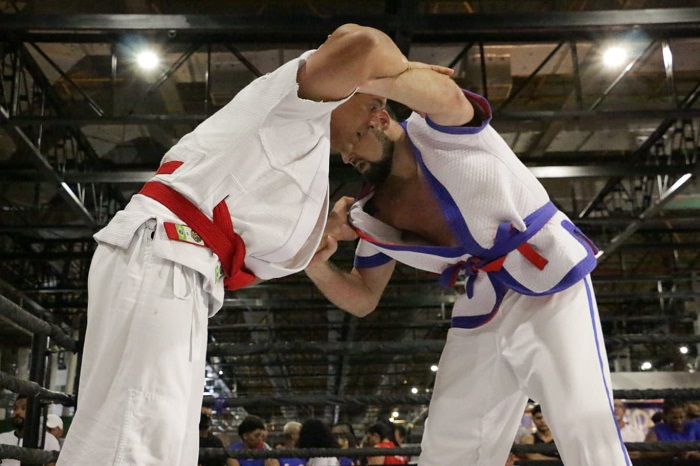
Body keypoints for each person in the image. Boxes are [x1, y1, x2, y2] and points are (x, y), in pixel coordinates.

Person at [55, 22, 450, 466]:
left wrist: (328, 234)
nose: (348, 156)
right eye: (362, 132)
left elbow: (258, 235)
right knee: (138, 434)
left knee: (152, 437)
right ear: (370, 101)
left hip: (180, 263)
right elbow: (364, 43)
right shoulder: (294, 100)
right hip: (166, 251)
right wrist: (402, 74)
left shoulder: (305, 145)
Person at [304, 62, 631, 466]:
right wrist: (315, 263)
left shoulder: (441, 131)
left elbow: (446, 95)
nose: (347, 154)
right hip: (482, 308)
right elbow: (363, 297)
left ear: (380, 118)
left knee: (584, 426)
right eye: (340, 150)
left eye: (350, 140)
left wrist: (353, 76)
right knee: (449, 445)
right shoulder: (372, 212)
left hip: (547, 279)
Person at [0, 395, 60, 466]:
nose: (18, 412)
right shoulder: (2, 438)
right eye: (15, 408)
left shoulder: (49, 440)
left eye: (24, 408)